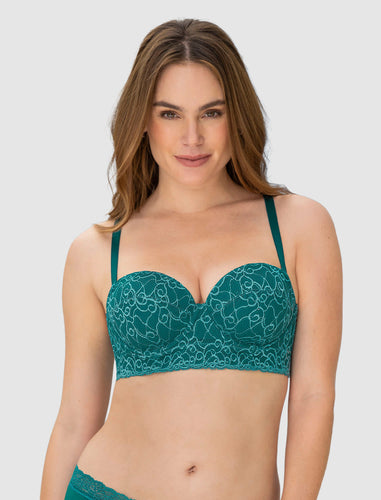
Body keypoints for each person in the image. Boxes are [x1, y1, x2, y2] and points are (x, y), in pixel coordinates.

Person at [40, 18, 342, 500]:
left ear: (236, 116)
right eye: (169, 114)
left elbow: (313, 396)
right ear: (143, 121)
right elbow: (76, 418)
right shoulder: (97, 250)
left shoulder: (298, 226)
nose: (192, 137)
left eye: (211, 113)